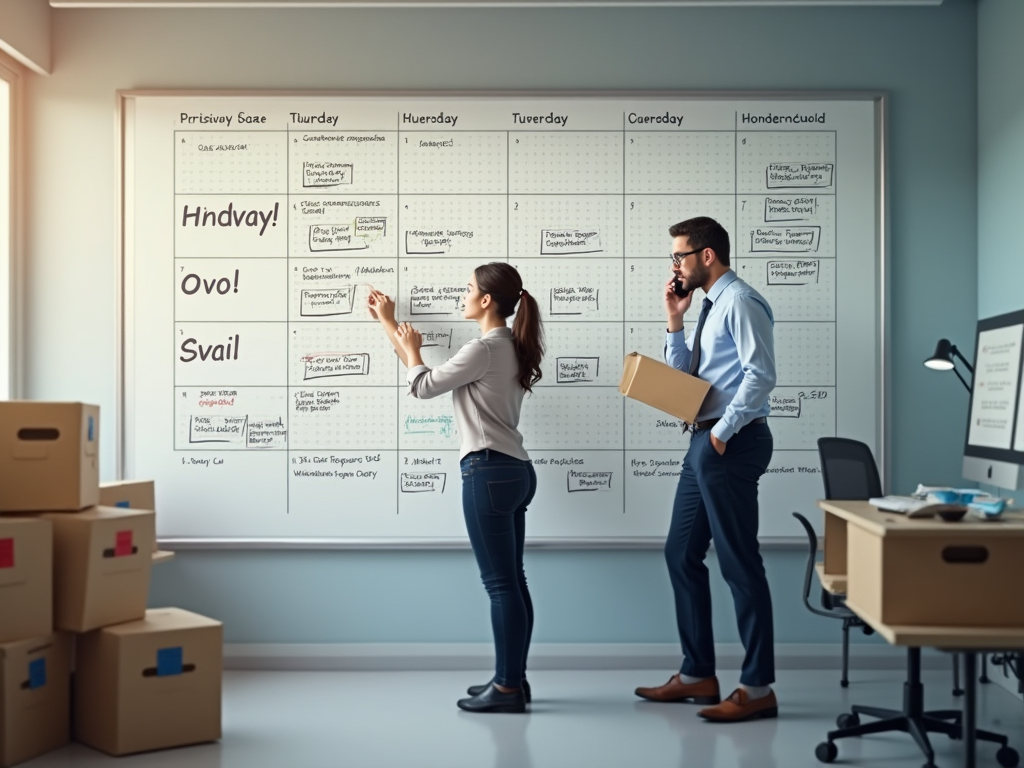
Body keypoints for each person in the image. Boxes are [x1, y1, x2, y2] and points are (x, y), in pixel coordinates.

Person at [367, 263, 544, 714]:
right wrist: (392, 328)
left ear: (487, 300)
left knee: (501, 585)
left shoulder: (483, 348)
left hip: (488, 473)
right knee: (513, 582)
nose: (463, 295)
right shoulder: (508, 347)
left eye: (468, 289)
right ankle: (513, 681)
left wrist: (405, 340)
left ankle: (507, 689)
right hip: (515, 472)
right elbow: (422, 376)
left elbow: (423, 386)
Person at [634, 216, 779, 723]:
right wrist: (674, 319)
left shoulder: (740, 302)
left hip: (729, 442)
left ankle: (758, 687)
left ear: (707, 255)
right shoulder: (710, 306)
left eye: (680, 255)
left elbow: (761, 376)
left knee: (739, 562)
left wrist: (720, 434)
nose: (676, 264)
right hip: (706, 440)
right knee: (681, 553)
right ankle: (698, 675)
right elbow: (685, 382)